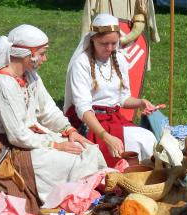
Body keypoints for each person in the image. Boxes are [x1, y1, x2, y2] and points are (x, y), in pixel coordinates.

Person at [0, 24, 106, 209]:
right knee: (70, 161)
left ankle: (89, 200)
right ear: (27, 54)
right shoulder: (2, 83)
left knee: (87, 150)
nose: (45, 58)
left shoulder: (31, 77)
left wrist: (69, 130)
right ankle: (70, 206)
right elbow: (16, 135)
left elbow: (48, 110)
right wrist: (55, 145)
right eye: (42, 53)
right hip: (6, 149)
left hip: (30, 139)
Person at [65, 13, 158, 167]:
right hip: (90, 123)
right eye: (104, 43)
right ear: (93, 39)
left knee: (148, 138)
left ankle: (141, 178)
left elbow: (122, 99)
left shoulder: (119, 60)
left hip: (114, 119)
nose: (109, 48)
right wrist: (105, 137)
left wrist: (141, 103)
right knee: (143, 140)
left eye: (114, 43)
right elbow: (83, 109)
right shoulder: (81, 63)